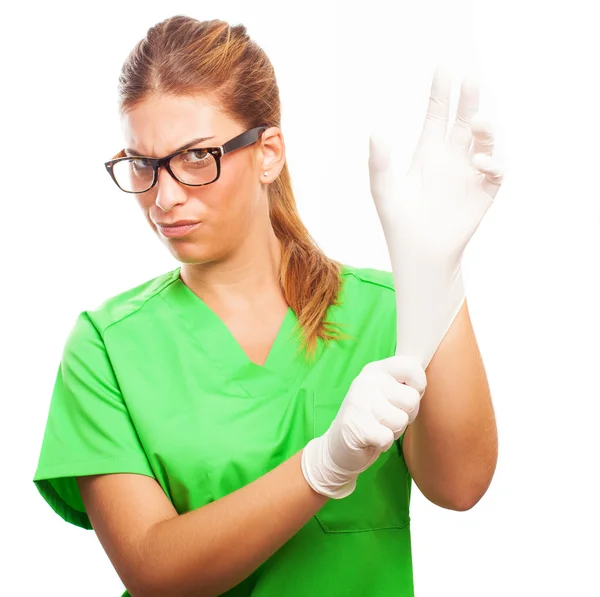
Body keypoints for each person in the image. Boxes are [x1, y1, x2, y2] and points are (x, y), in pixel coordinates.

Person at [32, 15, 501, 597]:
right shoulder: (107, 346)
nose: (165, 195)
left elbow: (460, 486)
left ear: (268, 153)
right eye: (142, 164)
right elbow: (152, 569)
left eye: (197, 157)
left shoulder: (396, 310)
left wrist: (440, 275)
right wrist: (322, 466)